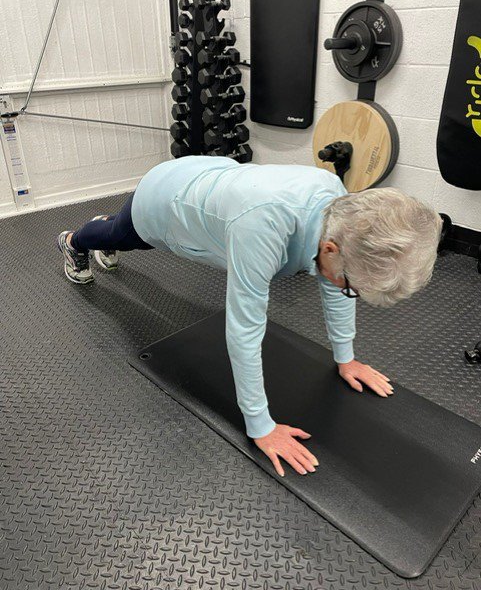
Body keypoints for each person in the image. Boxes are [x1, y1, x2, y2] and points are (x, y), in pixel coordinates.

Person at [57, 155, 443, 477]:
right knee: (122, 235)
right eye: (352, 285)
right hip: (165, 199)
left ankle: (105, 229)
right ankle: (76, 239)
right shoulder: (261, 227)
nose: (348, 291)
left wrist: (346, 357)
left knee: (120, 235)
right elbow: (243, 330)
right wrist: (262, 427)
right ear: (329, 248)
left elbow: (335, 281)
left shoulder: (346, 214)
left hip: (212, 180)